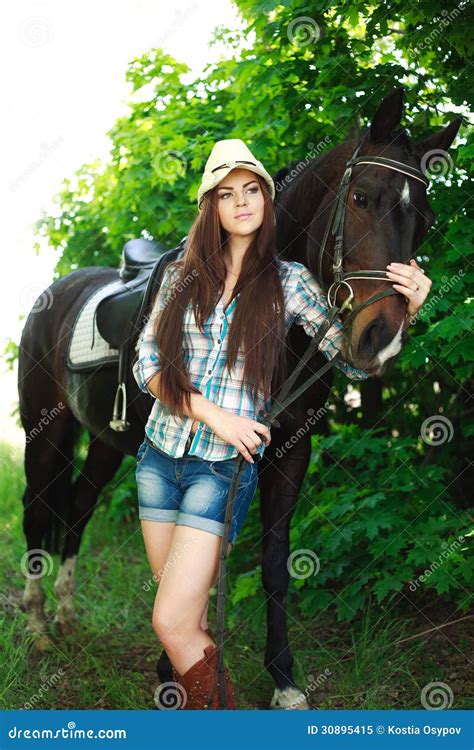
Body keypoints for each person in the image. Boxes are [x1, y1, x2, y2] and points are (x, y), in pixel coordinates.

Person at [132, 138, 432, 710]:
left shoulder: (290, 282)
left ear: (266, 200)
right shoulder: (178, 274)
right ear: (211, 206)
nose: (241, 202)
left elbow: (355, 360)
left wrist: (406, 312)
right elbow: (148, 363)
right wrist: (213, 412)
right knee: (181, 615)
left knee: (171, 621)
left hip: (218, 472)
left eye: (252, 190)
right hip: (157, 459)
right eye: (228, 193)